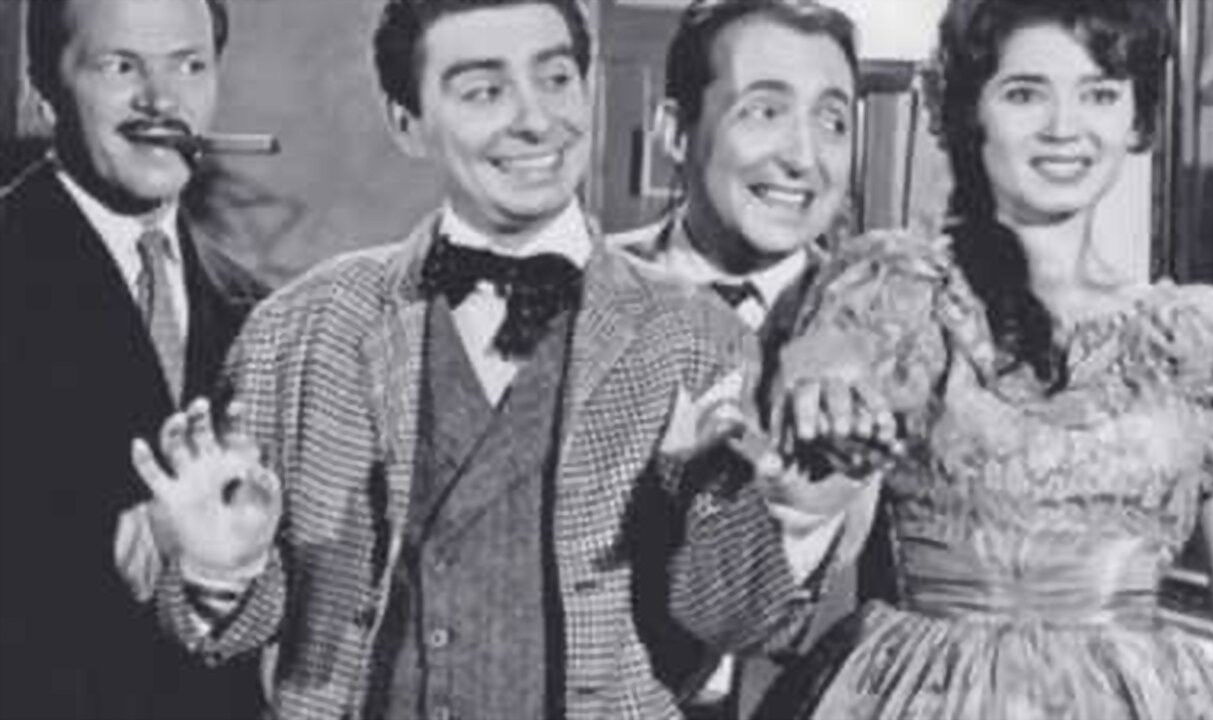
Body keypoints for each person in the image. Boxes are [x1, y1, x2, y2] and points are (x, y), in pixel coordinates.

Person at [122, 0, 856, 718]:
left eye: (556, 78)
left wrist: (800, 512)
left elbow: (733, 620)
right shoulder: (300, 330)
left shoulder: (699, 337)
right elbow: (233, 631)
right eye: (484, 90)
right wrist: (222, 567)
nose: (536, 119)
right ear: (408, 122)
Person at [752, 0, 1213, 718]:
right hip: (924, 695)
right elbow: (826, 390)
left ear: (1137, 119)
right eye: (1026, 93)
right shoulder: (896, 286)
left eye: (1099, 94)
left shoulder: (1205, 337)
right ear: (972, 112)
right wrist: (820, 405)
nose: (1065, 127)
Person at [609, 0, 894, 716]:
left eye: (833, 122)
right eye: (764, 111)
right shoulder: (577, 300)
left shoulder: (891, 325)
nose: (803, 156)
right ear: (676, 131)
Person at [0, 0, 266, 717]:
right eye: (121, 67)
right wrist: (138, 541)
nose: (162, 101)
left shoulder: (259, 312)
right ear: (43, 88)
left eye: (190, 65)